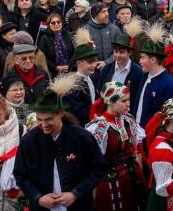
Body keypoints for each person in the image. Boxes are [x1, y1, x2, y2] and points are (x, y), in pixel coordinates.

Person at [12, 74, 106, 211]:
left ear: (61, 113)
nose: (43, 124)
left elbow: (98, 169)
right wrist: (39, 198)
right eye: (39, 119)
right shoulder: (29, 141)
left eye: (48, 119)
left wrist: (75, 194)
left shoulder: (81, 137)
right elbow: (20, 175)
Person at [85, 81, 145, 211]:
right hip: (109, 184)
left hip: (131, 179)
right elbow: (93, 163)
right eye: (123, 101)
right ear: (110, 101)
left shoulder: (128, 120)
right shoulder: (99, 127)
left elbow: (135, 149)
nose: (128, 104)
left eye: (128, 100)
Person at [133, 25, 173, 127]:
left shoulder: (169, 85)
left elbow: (167, 119)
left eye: (143, 58)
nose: (139, 61)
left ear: (153, 59)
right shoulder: (144, 76)